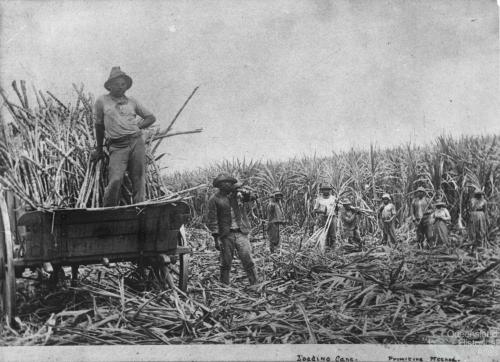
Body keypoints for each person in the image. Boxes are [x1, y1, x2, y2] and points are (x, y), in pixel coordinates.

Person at [91, 66, 156, 207]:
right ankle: (109, 211)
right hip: (117, 145)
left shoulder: (132, 101)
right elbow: (99, 125)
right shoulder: (102, 101)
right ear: (109, 86)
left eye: (123, 84)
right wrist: (99, 149)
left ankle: (140, 209)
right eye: (116, 84)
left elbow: (150, 117)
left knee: (138, 178)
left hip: (136, 142)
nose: (120, 87)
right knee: (115, 179)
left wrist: (137, 127)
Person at [207, 173, 259, 285]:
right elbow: (213, 220)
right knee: (225, 262)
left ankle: (255, 283)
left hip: (241, 232)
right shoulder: (214, 199)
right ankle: (224, 285)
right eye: (223, 183)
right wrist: (216, 238)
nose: (226, 184)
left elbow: (254, 196)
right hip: (226, 234)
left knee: (247, 259)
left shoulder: (238, 195)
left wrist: (246, 192)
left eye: (228, 182)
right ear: (219, 185)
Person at [313, 183, 338, 248]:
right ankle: (325, 247)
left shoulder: (334, 198)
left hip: (332, 217)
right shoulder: (319, 199)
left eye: (328, 190)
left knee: (333, 233)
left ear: (330, 190)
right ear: (322, 191)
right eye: (325, 190)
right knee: (324, 233)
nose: (326, 191)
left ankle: (333, 248)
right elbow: (315, 210)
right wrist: (323, 211)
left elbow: (337, 209)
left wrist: (337, 205)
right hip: (322, 218)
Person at [267, 188, 286, 253]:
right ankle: (272, 252)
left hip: (276, 223)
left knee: (277, 238)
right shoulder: (272, 204)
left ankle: (275, 251)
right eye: (277, 196)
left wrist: (282, 220)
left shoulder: (277, 204)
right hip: (272, 223)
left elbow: (278, 214)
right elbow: (270, 214)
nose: (279, 197)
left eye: (279, 196)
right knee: (273, 238)